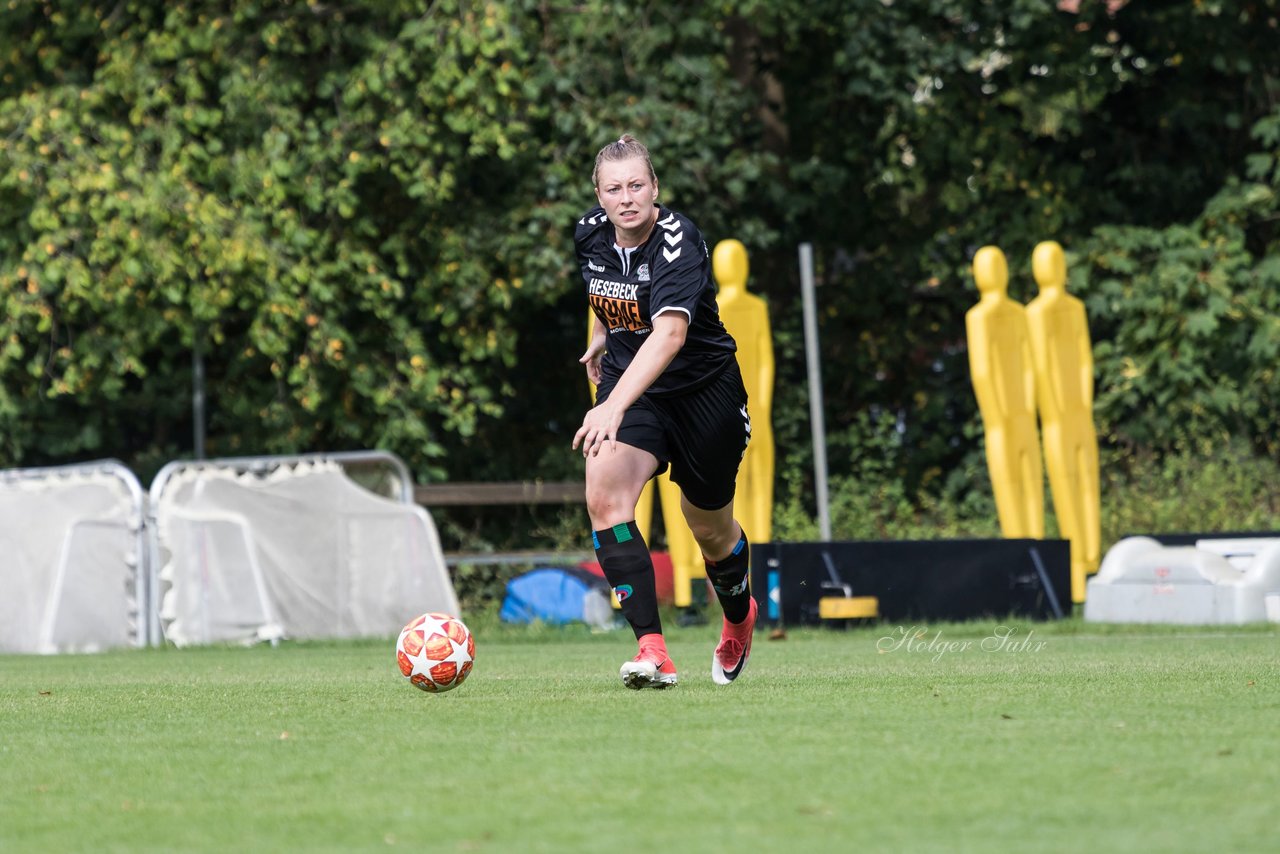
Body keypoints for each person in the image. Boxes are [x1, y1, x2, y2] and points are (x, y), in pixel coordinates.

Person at [572, 134, 757, 689]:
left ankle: (738, 618)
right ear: (599, 196)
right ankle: (653, 651)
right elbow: (606, 289)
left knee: (709, 529)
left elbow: (671, 333)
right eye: (614, 188)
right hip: (640, 391)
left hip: (705, 391)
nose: (626, 198)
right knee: (604, 494)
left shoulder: (679, 240)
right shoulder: (588, 234)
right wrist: (604, 334)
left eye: (636, 185)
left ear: (655, 188)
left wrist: (611, 407)